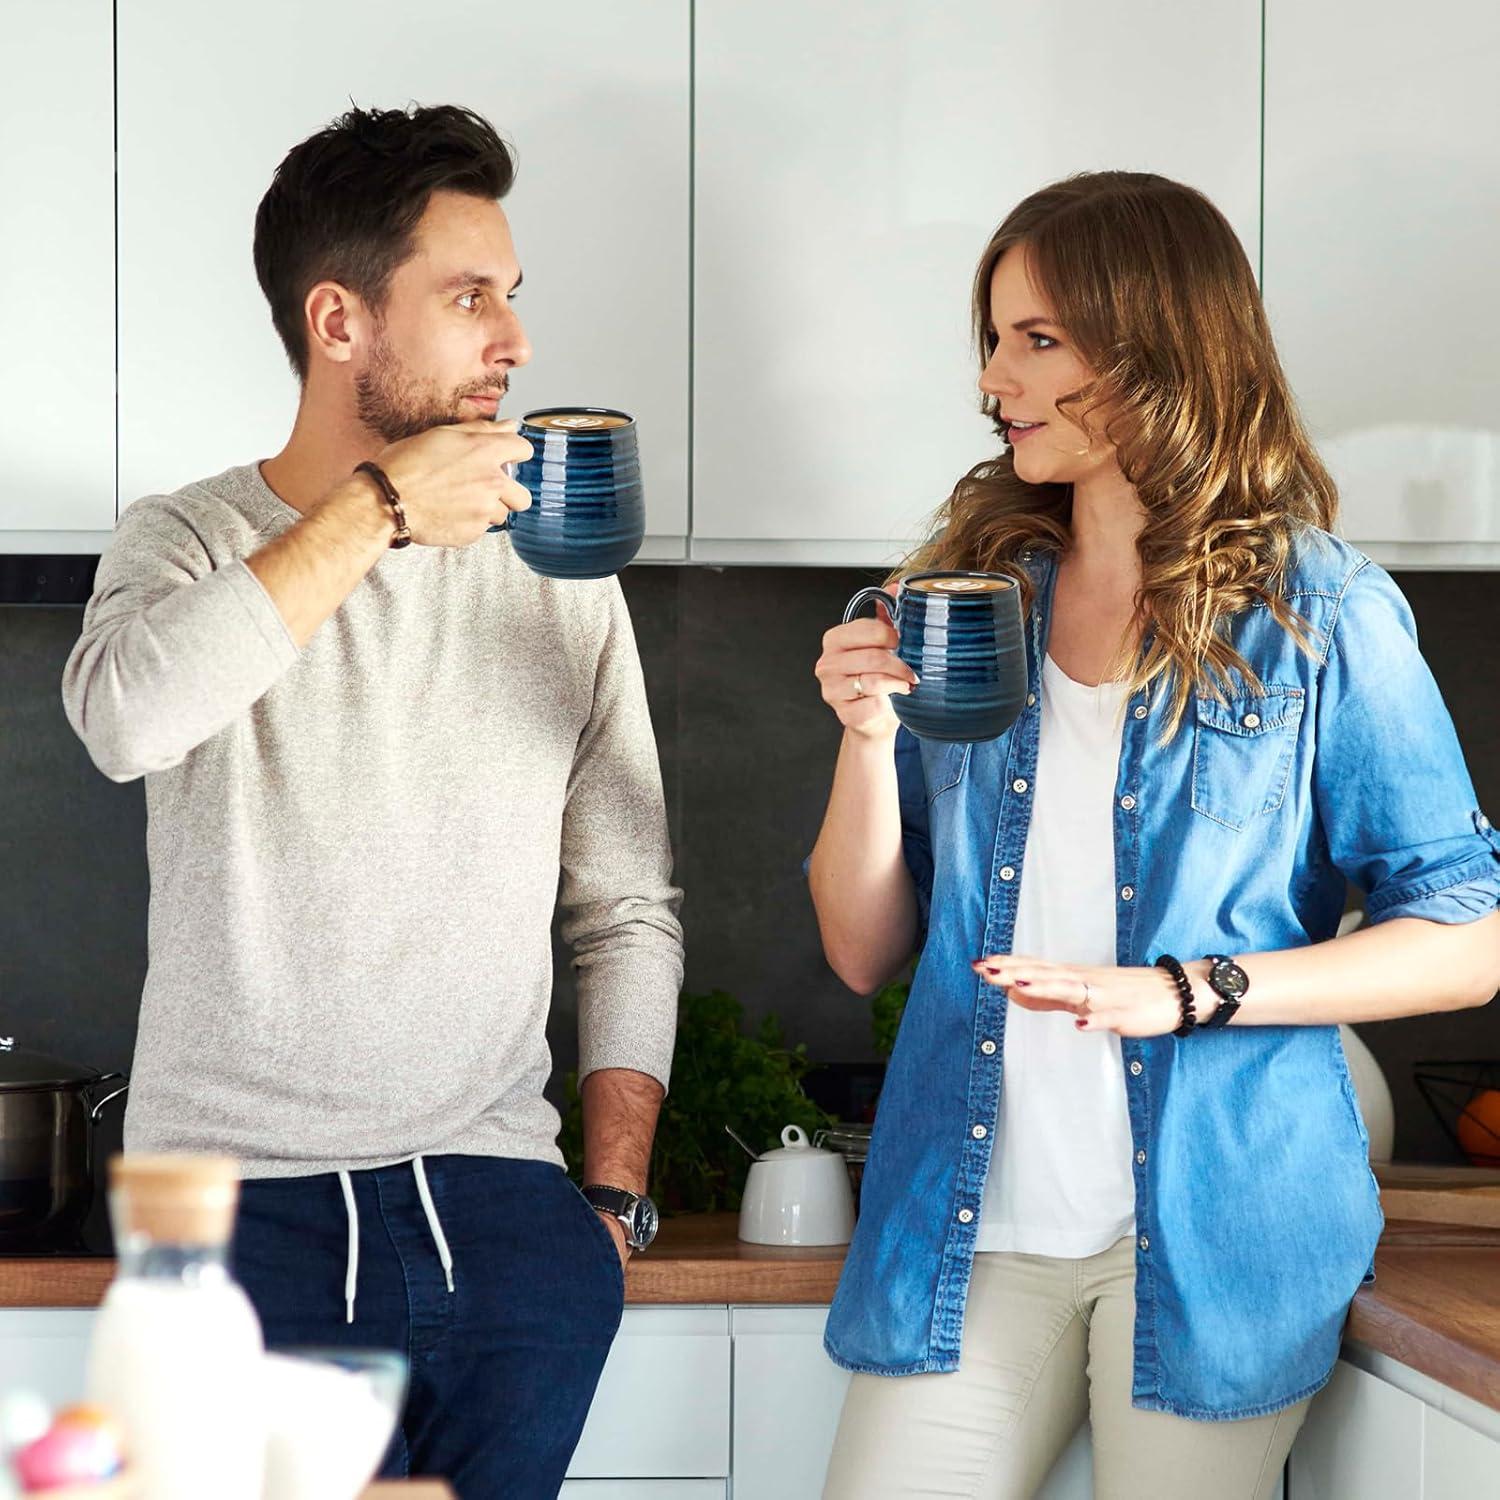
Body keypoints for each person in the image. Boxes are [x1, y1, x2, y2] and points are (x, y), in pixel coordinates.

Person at [808, 170, 1500, 1500]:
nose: (995, 376)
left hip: (1220, 1233)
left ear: (1159, 353)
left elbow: (1465, 945)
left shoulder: (1321, 615)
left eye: (1038, 339)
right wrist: (865, 737)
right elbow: (858, 950)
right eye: (995, 338)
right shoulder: (958, 599)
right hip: (971, 1225)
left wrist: (1186, 993)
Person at [62, 103, 682, 1499]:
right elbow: (123, 718)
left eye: (511, 299)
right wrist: (378, 510)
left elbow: (627, 903)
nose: (512, 342)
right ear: (340, 321)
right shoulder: (185, 541)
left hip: (508, 1222)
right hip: (241, 1225)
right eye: (470, 299)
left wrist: (609, 1203)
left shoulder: (558, 571)